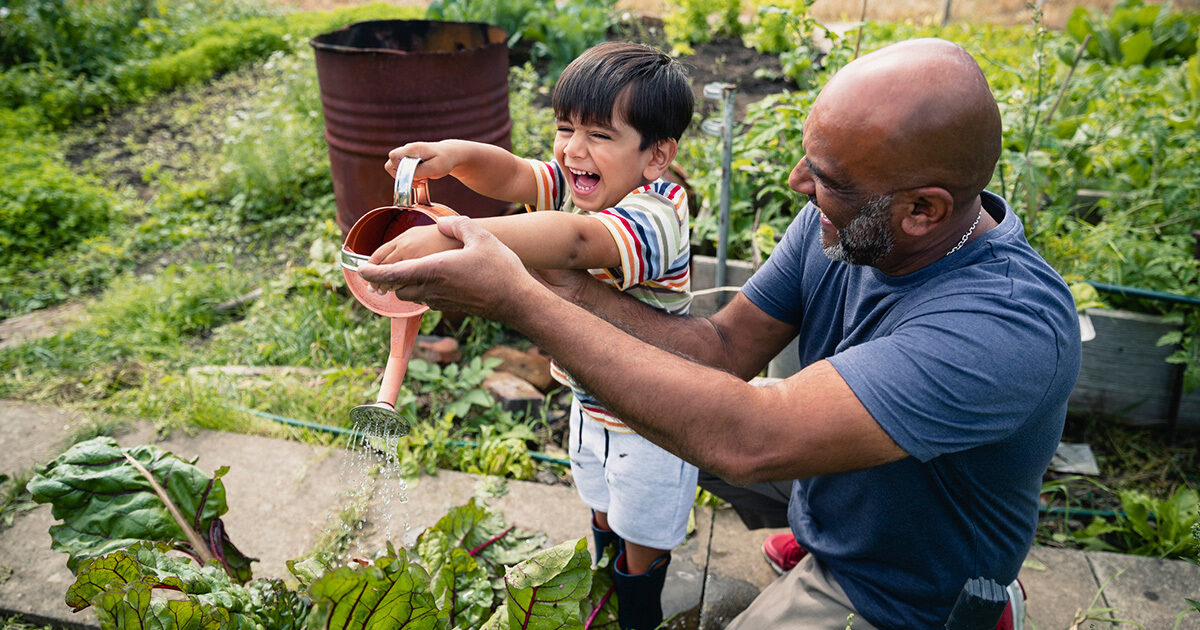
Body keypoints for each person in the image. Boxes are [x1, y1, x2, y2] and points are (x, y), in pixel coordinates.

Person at [359, 37, 1082, 629]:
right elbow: (721, 352)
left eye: (828, 178)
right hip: (835, 485)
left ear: (923, 210)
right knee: (667, 430)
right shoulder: (844, 224)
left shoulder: (1005, 325)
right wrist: (564, 289)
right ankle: (818, 527)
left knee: (707, 438)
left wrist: (516, 293)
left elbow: (746, 440)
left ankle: (981, 611)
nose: (800, 183)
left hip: (899, 589)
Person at [369, 41, 696, 630]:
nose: (574, 149)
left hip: (655, 418)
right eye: (565, 128)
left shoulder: (657, 214)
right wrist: (453, 156)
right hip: (589, 401)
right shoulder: (581, 183)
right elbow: (517, 174)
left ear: (656, 156)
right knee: (599, 507)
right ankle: (601, 590)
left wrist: (452, 237)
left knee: (642, 534)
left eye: (600, 135)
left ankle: (637, 614)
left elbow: (575, 242)